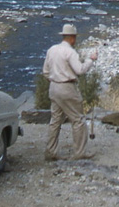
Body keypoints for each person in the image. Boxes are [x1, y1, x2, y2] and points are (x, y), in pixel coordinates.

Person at [42, 23, 98, 161]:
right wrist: (91, 60)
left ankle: (50, 152)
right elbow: (80, 70)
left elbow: (45, 71)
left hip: (53, 87)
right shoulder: (70, 52)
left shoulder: (52, 49)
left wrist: (54, 79)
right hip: (67, 88)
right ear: (72, 38)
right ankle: (79, 152)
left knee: (55, 120)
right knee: (78, 119)